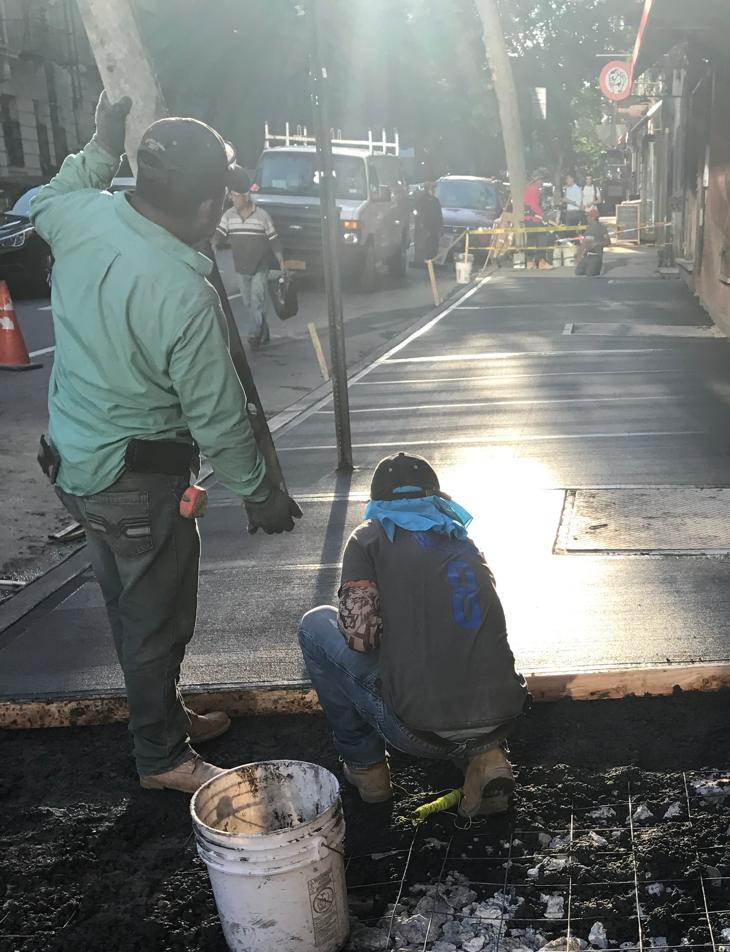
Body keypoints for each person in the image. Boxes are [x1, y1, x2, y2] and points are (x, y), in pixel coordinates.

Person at [31, 93, 300, 795]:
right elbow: (218, 419)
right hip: (136, 485)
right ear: (209, 208)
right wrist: (262, 494)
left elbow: (47, 196)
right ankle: (162, 757)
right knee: (156, 620)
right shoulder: (182, 292)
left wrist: (100, 145)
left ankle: (162, 715)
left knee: (128, 605)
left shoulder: (81, 214)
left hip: (75, 465)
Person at [298, 452, 525, 818]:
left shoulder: (368, 538)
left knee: (313, 626)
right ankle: (487, 757)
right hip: (502, 718)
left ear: (378, 500)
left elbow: (360, 638)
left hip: (419, 730)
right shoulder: (461, 540)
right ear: (436, 496)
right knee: (464, 648)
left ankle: (365, 768)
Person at [215, 168, 281, 349]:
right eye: (231, 196)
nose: (232, 199)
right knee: (248, 303)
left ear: (245, 196)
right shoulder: (228, 216)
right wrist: (211, 246)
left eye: (235, 196)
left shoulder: (262, 216)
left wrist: (282, 263)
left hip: (260, 268)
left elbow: (274, 240)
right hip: (241, 269)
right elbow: (218, 235)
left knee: (256, 302)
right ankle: (263, 330)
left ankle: (254, 334)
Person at [412, 180, 443, 264]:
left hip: (434, 230)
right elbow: (418, 214)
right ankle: (420, 262)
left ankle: (431, 262)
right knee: (422, 247)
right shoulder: (421, 201)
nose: (434, 190)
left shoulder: (435, 201)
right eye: (432, 189)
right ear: (427, 189)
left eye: (434, 189)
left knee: (433, 247)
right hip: (424, 229)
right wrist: (422, 227)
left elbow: (439, 215)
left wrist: (440, 228)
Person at [574, 205, 609, 276]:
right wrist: (579, 255)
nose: (587, 218)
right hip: (587, 255)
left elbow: (608, 242)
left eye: (588, 217)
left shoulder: (602, 228)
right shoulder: (588, 228)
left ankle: (597, 266)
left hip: (596, 256)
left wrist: (597, 243)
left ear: (593, 218)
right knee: (578, 272)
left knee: (590, 274)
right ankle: (590, 266)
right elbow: (584, 243)